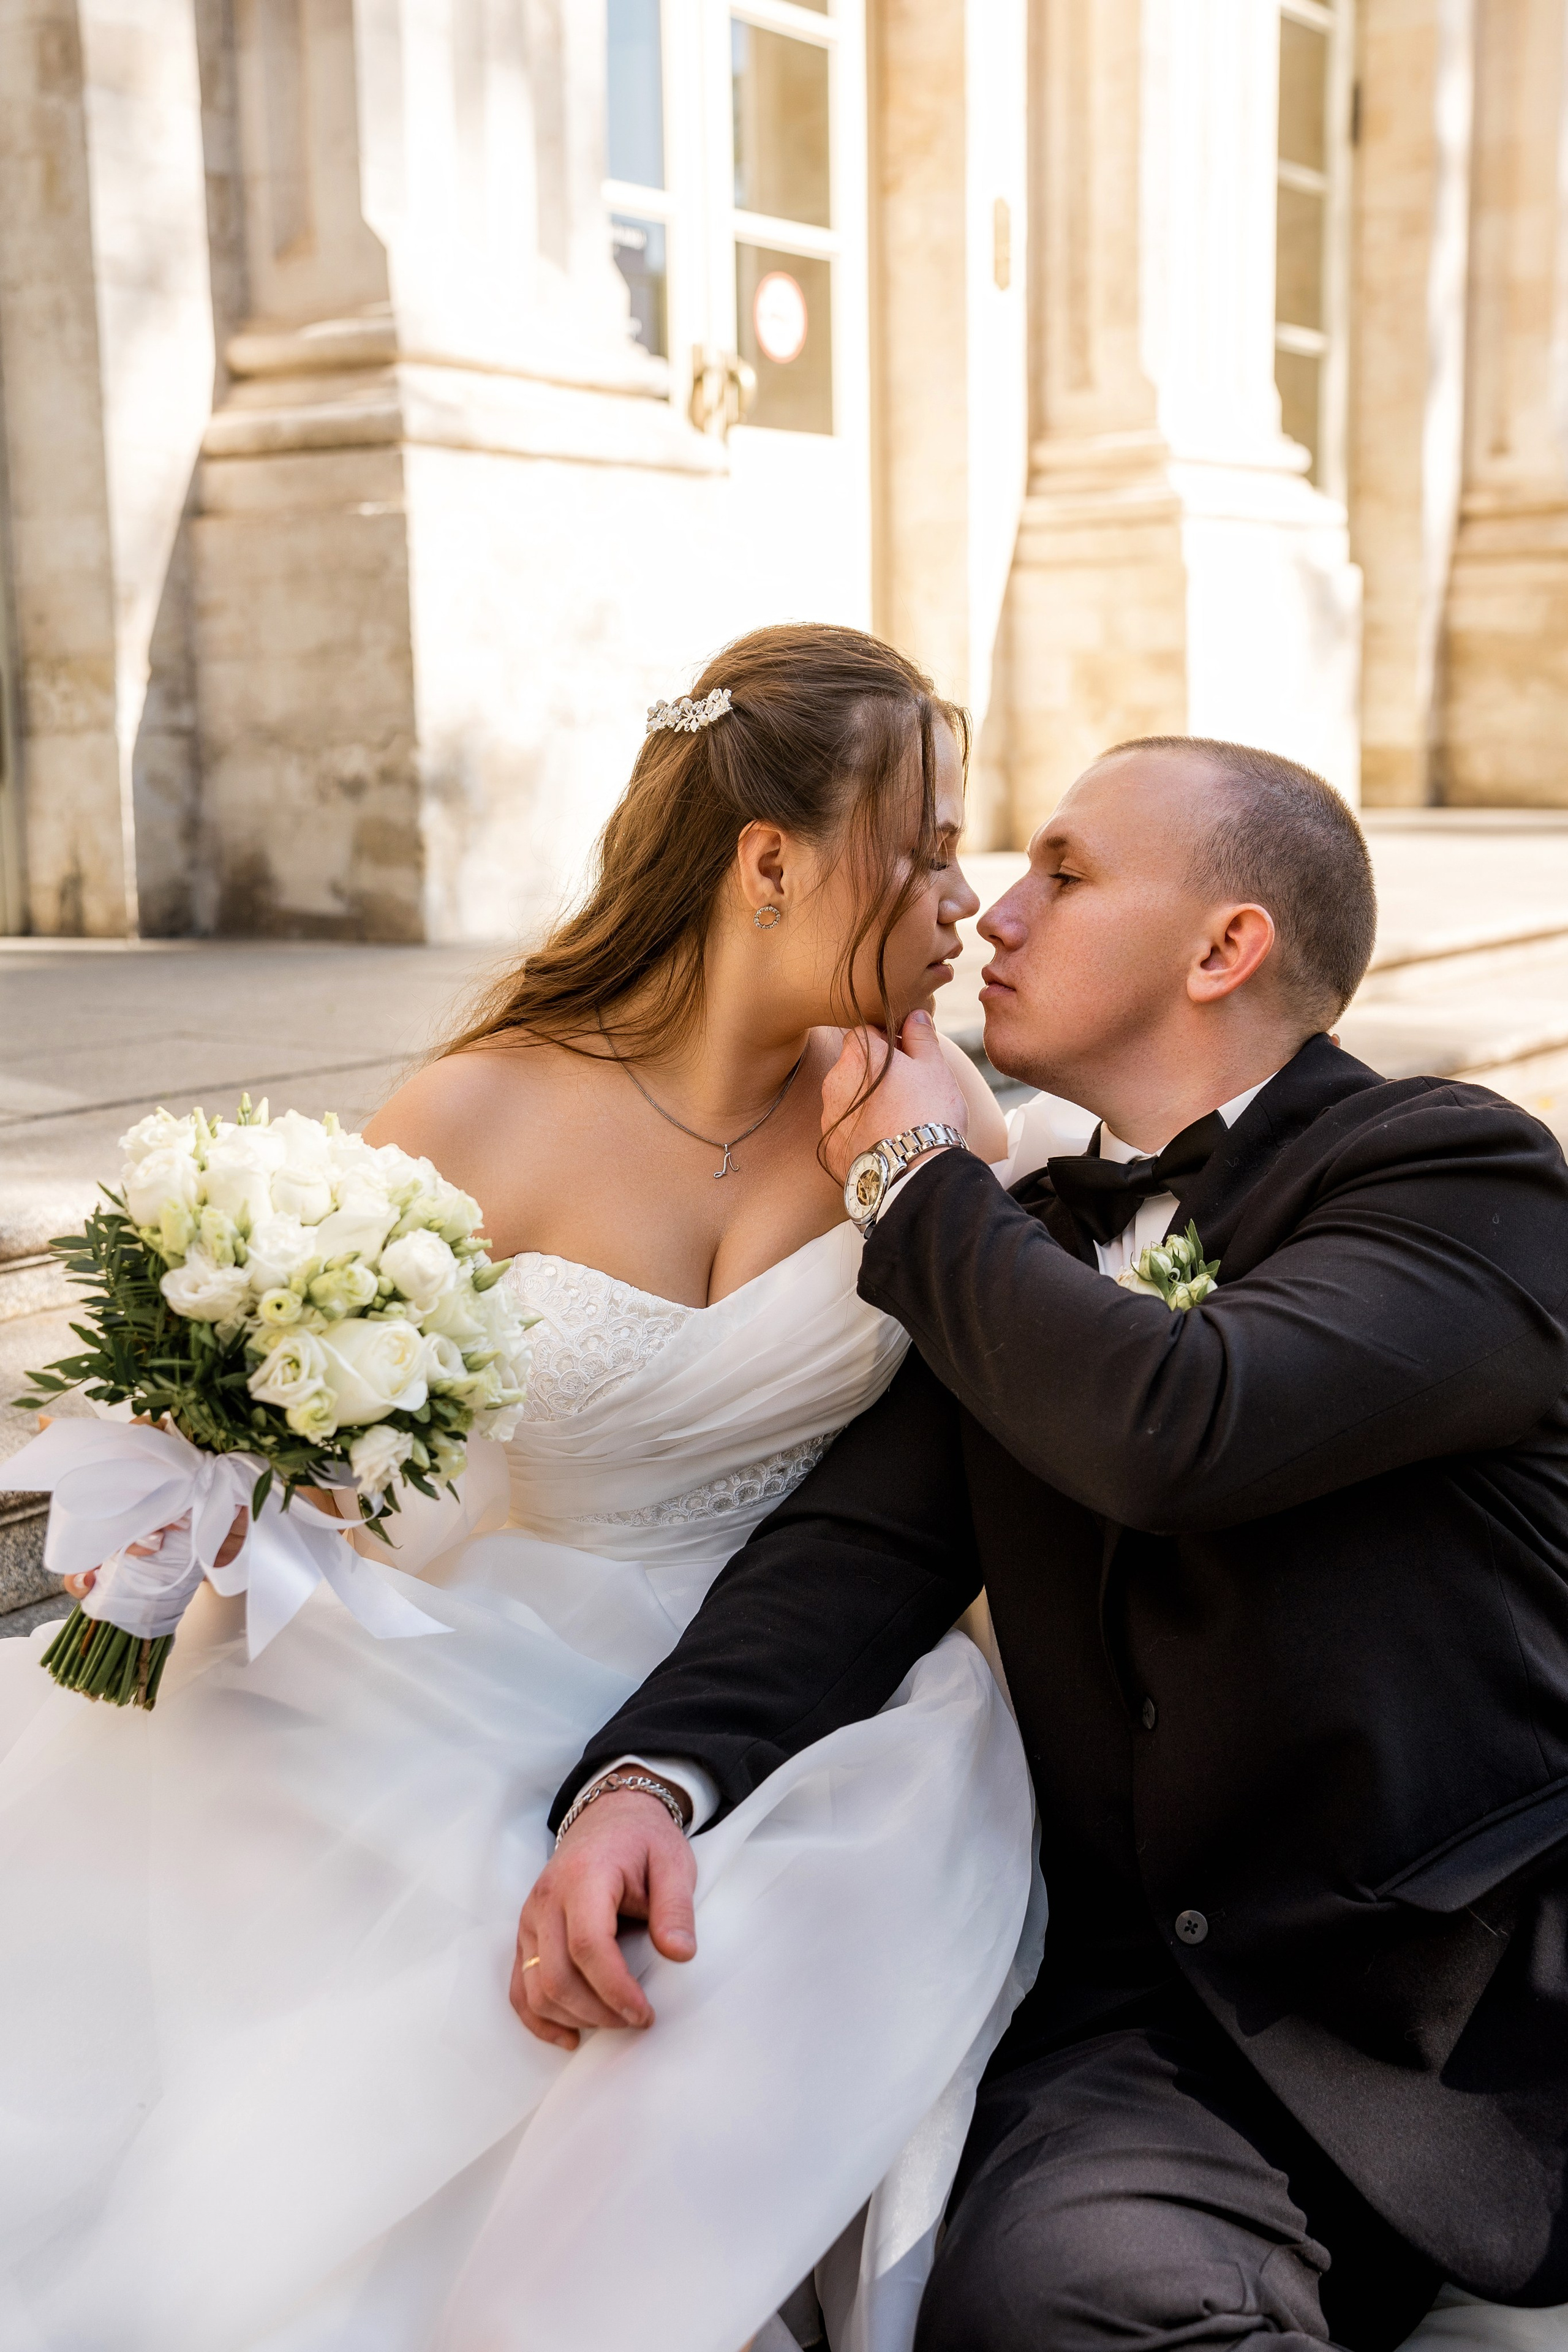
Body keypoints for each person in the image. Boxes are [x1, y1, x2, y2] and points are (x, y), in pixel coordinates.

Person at [0, 625, 1039, 2352]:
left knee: (825, 1892)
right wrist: (178, 1527)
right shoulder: (484, 1108)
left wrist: (940, 1166)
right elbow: (279, 1421)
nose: (965, 894)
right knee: (351, 1847)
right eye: (924, 846)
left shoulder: (924, 1115)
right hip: (488, 1635)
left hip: (795, 1673)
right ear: (768, 862)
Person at [527, 736, 1568, 2352]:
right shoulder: (1025, 1254)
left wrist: (905, 1175)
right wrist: (646, 1782)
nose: (992, 916)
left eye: (1065, 874)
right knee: (1046, 2297)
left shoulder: (1453, 1174)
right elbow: (850, 1557)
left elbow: (1184, 1424)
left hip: (1473, 1989)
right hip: (1166, 2029)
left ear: (1228, 947)